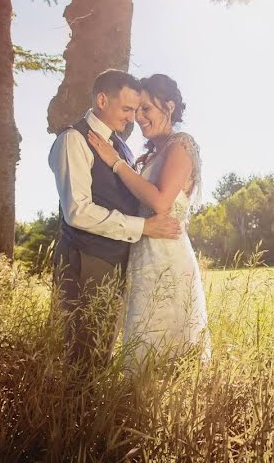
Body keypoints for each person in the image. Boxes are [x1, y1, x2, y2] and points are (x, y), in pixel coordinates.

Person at [48, 69, 181, 362]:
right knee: (78, 357)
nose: (132, 117)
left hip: (115, 263)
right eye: (126, 109)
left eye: (136, 110)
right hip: (86, 261)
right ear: (102, 100)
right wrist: (144, 227)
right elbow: (78, 212)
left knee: (100, 354)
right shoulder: (74, 139)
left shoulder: (120, 146)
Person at [86, 73, 210, 372]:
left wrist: (116, 163)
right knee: (141, 338)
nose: (138, 118)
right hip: (144, 255)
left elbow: (160, 202)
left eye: (146, 109)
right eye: (135, 110)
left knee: (167, 340)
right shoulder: (151, 154)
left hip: (167, 256)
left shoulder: (181, 145)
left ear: (168, 107)